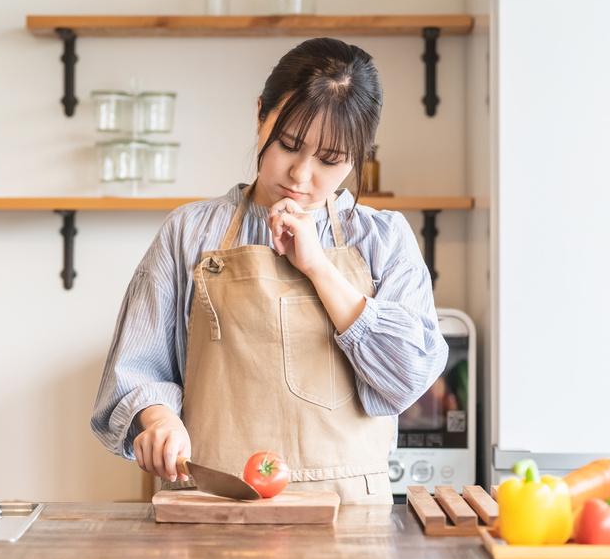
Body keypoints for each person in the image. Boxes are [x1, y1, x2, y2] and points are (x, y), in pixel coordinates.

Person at [90, 37, 448, 505]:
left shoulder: (383, 239)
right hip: (214, 503)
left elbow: (407, 377)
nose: (301, 175)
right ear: (261, 116)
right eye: (289, 145)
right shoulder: (189, 232)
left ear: (359, 156)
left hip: (348, 516)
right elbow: (135, 370)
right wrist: (158, 420)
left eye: (330, 160)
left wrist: (318, 266)